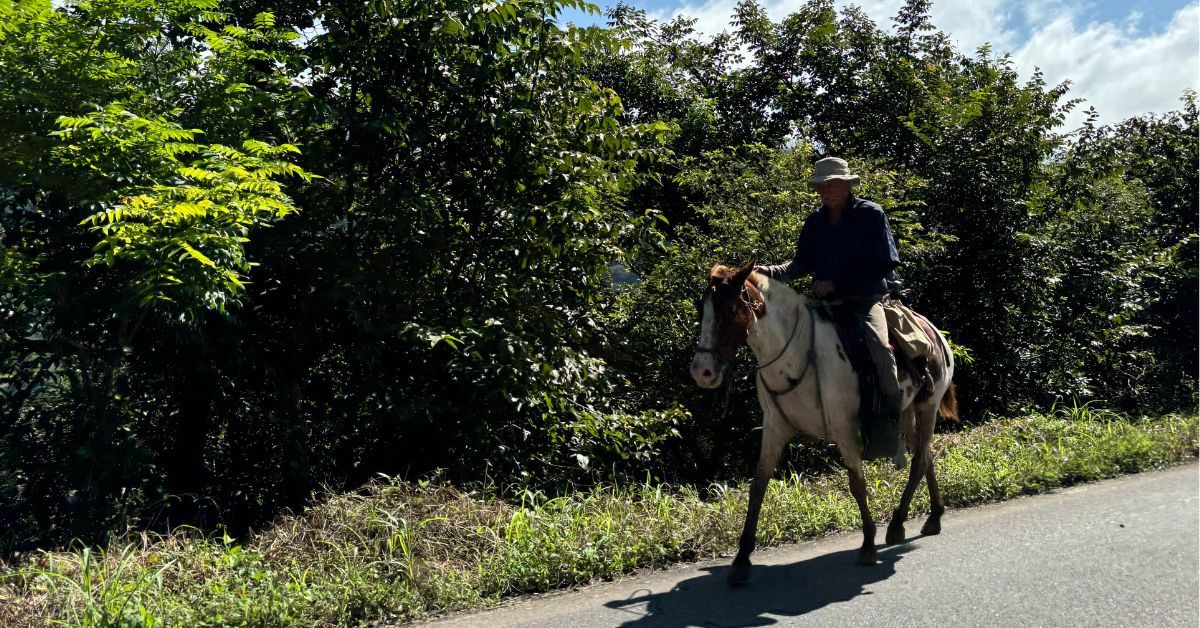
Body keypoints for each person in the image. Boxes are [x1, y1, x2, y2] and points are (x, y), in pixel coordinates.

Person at [755, 157, 904, 462]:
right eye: (822, 186)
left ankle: (892, 426)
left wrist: (836, 283)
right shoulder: (815, 221)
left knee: (879, 349)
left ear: (849, 185)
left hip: (866, 299)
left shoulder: (870, 215)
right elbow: (800, 264)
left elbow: (885, 262)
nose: (827, 190)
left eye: (834, 184)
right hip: (825, 302)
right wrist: (768, 271)